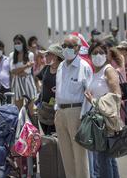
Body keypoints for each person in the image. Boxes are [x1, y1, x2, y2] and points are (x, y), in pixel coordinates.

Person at [55, 35, 92, 178]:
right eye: (64, 46)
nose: (66, 49)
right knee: (66, 154)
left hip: (77, 112)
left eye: (70, 46)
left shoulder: (84, 67)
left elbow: (88, 95)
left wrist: (84, 116)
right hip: (61, 112)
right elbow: (59, 90)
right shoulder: (60, 66)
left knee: (80, 155)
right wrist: (57, 111)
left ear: (78, 48)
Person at [83, 40, 122, 178]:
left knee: (103, 158)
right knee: (108, 157)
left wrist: (93, 101)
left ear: (106, 55)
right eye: (94, 53)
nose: (98, 55)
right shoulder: (94, 73)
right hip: (98, 119)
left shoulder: (108, 70)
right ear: (89, 56)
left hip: (106, 119)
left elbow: (116, 96)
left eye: (101, 52)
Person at [36, 44, 63, 135]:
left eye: (48, 54)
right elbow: (37, 78)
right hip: (44, 109)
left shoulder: (63, 69)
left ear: (55, 56)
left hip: (57, 110)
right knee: (45, 136)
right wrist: (40, 87)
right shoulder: (46, 68)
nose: (45, 57)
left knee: (55, 136)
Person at [9, 34, 37, 116]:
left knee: (30, 108)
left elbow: (26, 72)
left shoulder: (30, 54)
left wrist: (18, 71)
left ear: (23, 43)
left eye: (19, 43)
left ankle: (31, 127)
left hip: (28, 81)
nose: (17, 45)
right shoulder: (12, 55)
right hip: (17, 82)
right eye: (15, 43)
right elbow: (12, 71)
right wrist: (26, 65)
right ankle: (20, 127)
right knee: (19, 110)